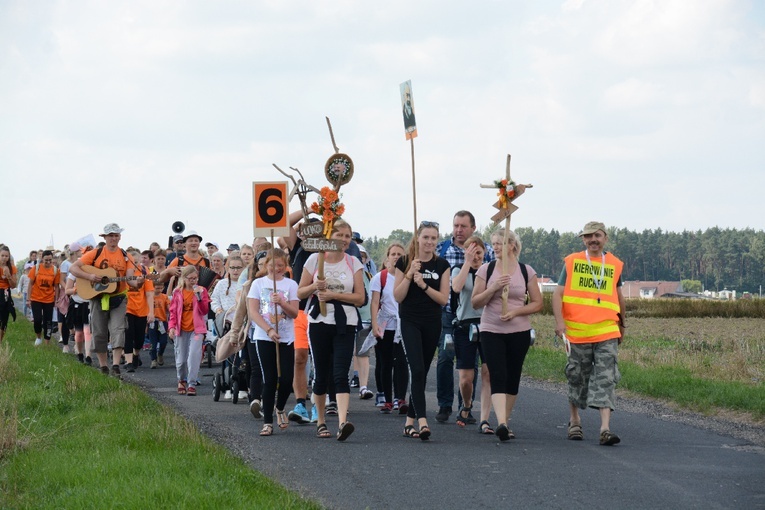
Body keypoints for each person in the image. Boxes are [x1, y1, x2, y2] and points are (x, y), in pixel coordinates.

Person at [553, 221, 626, 446]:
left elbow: (619, 296)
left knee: (606, 378)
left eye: (597, 235)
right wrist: (559, 323)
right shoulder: (572, 261)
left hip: (606, 331)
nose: (593, 240)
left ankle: (605, 428)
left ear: (605, 238)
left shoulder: (614, 264)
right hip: (577, 332)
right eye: (588, 236)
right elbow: (557, 294)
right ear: (583, 240)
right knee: (577, 377)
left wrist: (622, 324)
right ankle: (575, 421)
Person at [471, 229, 543, 440]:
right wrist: (493, 287)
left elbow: (538, 303)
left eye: (500, 243)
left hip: (518, 330)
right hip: (491, 329)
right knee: (497, 373)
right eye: (493, 243)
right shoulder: (487, 269)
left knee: (513, 376)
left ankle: (505, 421)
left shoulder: (525, 270)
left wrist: (516, 312)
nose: (495, 247)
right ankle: (501, 422)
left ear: (512, 245)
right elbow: (475, 302)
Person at [298, 219, 365, 441]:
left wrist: (334, 295)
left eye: (348, 236)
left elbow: (360, 297)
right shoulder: (315, 259)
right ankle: (320, 421)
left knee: (341, 372)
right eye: (340, 235)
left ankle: (343, 421)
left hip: (346, 321)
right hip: (319, 322)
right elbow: (300, 293)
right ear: (329, 237)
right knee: (321, 373)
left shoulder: (353, 262)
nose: (344, 240)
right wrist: (315, 287)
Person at [435, 210, 495, 423]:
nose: (458, 230)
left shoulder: (488, 251)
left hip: (480, 318)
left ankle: (465, 407)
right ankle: (444, 404)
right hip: (448, 312)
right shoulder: (442, 248)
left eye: (463, 226)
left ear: (473, 228)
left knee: (471, 363)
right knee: (444, 358)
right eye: (456, 226)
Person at [394, 221, 451, 440]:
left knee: (422, 372)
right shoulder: (405, 262)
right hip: (409, 320)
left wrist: (424, 285)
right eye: (425, 237)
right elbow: (398, 296)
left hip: (432, 322)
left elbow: (443, 299)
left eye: (433, 238)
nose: (429, 242)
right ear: (418, 238)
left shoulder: (442, 265)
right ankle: (422, 421)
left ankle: (409, 422)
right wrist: (410, 275)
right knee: (416, 370)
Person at [69, 223, 143, 376]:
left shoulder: (125, 255)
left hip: (119, 297)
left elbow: (130, 280)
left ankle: (115, 365)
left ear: (120, 237)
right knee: (99, 332)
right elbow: (73, 268)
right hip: (98, 297)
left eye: (116, 235)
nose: (113, 238)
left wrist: (140, 281)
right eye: (111, 236)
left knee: (118, 330)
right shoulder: (95, 253)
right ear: (105, 237)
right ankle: (103, 366)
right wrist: (90, 276)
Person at [247, 249, 299, 436]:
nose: (276, 268)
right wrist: (268, 330)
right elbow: (253, 311)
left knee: (286, 379)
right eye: (272, 265)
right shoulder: (258, 284)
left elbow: (294, 313)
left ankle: (280, 407)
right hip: (264, 336)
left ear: (285, 266)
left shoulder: (291, 284)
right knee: (269, 379)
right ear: (266, 264)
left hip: (286, 336)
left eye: (280, 265)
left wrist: (282, 303)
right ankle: (267, 421)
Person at [450, 235, 493, 432]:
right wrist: (467, 263)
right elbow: (457, 288)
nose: (475, 256)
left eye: (478, 252)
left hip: (488, 324)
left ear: (484, 253)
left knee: (487, 373)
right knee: (466, 378)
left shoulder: (490, 272)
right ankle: (466, 404)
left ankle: (485, 416)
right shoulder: (459, 270)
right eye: (471, 252)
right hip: (465, 324)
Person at [369, 242, 409, 414]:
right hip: (386, 323)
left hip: (403, 324)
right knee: (385, 362)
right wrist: (374, 324)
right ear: (387, 258)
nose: (396, 257)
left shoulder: (408, 276)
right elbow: (375, 302)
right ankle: (386, 399)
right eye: (393, 254)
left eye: (400, 254)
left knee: (401, 362)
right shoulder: (380, 277)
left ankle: (400, 398)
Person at [168, 265, 210, 396]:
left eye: (195, 278)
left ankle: (192, 383)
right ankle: (181, 379)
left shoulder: (201, 290)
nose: (193, 281)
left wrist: (198, 297)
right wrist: (171, 327)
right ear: (184, 278)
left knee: (194, 356)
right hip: (181, 328)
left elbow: (204, 310)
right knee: (181, 359)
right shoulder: (177, 292)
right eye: (190, 278)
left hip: (196, 329)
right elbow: (173, 312)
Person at [124, 249, 154, 372]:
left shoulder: (144, 271)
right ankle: (129, 361)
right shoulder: (124, 273)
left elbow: (149, 293)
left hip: (141, 309)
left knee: (139, 338)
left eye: (136, 261)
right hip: (127, 308)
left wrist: (151, 312)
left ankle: (136, 354)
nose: (133, 264)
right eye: (131, 262)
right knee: (128, 334)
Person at [27, 250, 61, 346]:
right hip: (36, 298)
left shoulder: (55, 270)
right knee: (37, 319)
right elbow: (30, 284)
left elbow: (56, 286)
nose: (48, 262)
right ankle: (38, 337)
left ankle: (47, 342)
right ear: (42, 259)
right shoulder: (36, 268)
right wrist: (28, 299)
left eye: (50, 260)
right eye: (46, 260)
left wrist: (56, 299)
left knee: (48, 322)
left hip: (49, 299)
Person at [0, 245, 18, 344]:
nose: (4, 258)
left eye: (6, 256)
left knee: (4, 319)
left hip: (6, 293)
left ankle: (0, 341)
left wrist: (8, 276)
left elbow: (13, 285)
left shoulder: (12, 268)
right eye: (2, 255)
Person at [148, 284, 169, 369]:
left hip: (162, 322)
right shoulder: (149, 297)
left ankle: (160, 353)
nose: (159, 290)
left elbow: (168, 307)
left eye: (161, 288)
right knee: (153, 343)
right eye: (157, 288)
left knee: (163, 341)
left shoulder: (164, 297)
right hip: (152, 322)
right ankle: (153, 359)